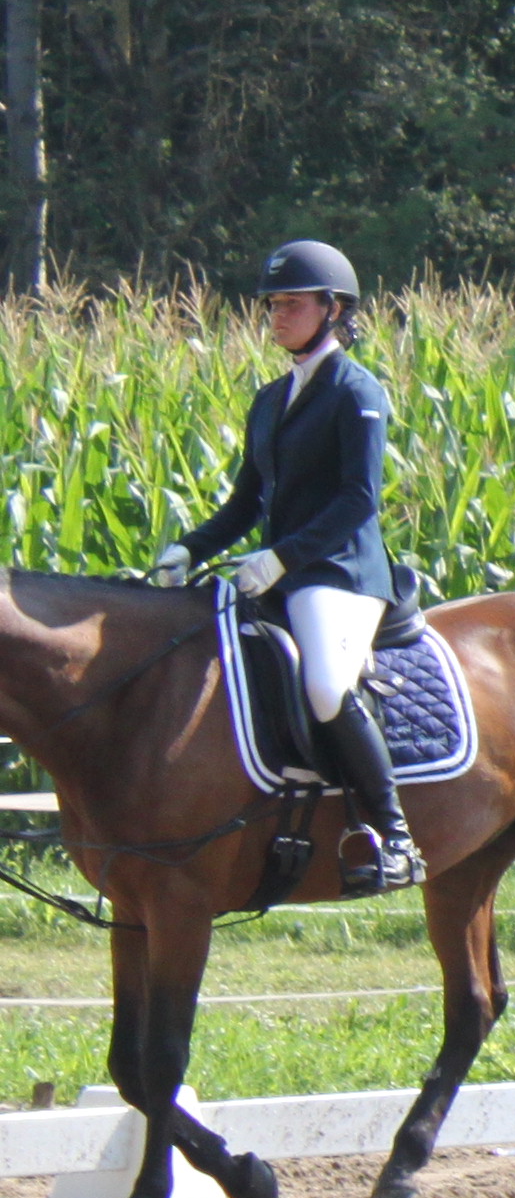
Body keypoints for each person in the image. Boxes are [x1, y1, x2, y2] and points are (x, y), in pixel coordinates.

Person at [148, 238, 420, 891]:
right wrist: (190, 548)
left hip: (341, 574)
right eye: (272, 305)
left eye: (292, 304)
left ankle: (396, 838)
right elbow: (247, 503)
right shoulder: (270, 399)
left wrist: (282, 558)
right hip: (279, 572)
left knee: (326, 685)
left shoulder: (356, 390)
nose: (277, 316)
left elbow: (358, 500)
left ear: (334, 309)